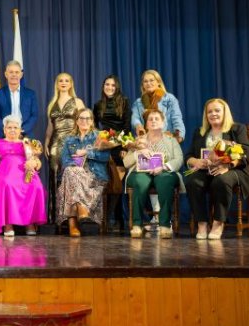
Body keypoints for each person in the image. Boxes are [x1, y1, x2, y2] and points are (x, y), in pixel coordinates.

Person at [184, 98, 249, 240]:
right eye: (210, 111)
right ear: (206, 115)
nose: (213, 114)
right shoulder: (200, 131)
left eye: (217, 110)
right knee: (192, 181)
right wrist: (196, 161)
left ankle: (218, 223)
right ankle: (202, 223)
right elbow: (188, 156)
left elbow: (245, 155)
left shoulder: (237, 129)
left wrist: (227, 165)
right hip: (205, 170)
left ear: (224, 112)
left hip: (233, 170)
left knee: (220, 181)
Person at [131, 69, 185, 225]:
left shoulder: (169, 99)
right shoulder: (139, 102)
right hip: (146, 139)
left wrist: (178, 135)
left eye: (152, 80)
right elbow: (135, 118)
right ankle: (148, 219)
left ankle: (163, 220)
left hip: (165, 137)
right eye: (145, 81)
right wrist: (139, 126)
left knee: (163, 177)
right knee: (144, 177)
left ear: (158, 82)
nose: (148, 83)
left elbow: (176, 117)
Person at [123, 109, 184, 239]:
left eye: (157, 119)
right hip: (140, 172)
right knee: (141, 181)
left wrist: (164, 166)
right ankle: (137, 225)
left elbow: (179, 159)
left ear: (163, 123)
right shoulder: (137, 140)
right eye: (150, 119)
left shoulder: (171, 140)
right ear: (146, 124)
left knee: (165, 181)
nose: (153, 121)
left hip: (164, 171)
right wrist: (137, 153)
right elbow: (126, 163)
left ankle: (165, 225)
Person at [0, 115, 46, 236]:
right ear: (4, 129)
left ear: (20, 129)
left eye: (15, 127)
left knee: (36, 186)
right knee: (8, 185)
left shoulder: (27, 143)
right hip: (5, 173)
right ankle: (8, 224)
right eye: (9, 127)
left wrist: (34, 163)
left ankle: (30, 222)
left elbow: (37, 161)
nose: (12, 130)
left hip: (25, 173)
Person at [57, 109, 110, 237]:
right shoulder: (70, 139)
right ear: (76, 121)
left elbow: (105, 157)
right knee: (71, 171)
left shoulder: (99, 136)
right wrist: (76, 165)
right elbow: (64, 160)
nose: (84, 121)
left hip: (95, 176)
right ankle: (83, 213)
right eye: (81, 118)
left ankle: (73, 223)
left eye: (87, 118)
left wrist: (87, 153)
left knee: (71, 176)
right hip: (74, 174)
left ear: (92, 121)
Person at [44, 72, 85, 222]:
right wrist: (46, 142)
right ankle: (55, 218)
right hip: (55, 143)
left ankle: (71, 218)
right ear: (57, 84)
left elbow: (84, 124)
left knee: (70, 178)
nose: (63, 83)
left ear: (71, 84)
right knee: (54, 178)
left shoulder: (77, 101)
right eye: (61, 80)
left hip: (72, 144)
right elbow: (50, 127)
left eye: (67, 80)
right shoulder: (52, 104)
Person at [92, 74, 132, 231]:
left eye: (113, 85)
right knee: (107, 183)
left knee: (117, 183)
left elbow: (127, 126)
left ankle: (111, 219)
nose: (109, 87)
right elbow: (95, 127)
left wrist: (122, 147)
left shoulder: (124, 102)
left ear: (117, 88)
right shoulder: (98, 105)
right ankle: (108, 219)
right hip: (104, 145)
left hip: (120, 145)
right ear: (103, 86)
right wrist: (101, 141)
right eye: (107, 84)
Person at [0, 60, 38, 139]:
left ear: (21, 74)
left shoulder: (30, 94)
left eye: (17, 72)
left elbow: (34, 115)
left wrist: (21, 130)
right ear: (6, 74)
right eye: (11, 72)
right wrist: (7, 130)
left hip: (25, 135)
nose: (14, 75)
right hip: (3, 135)